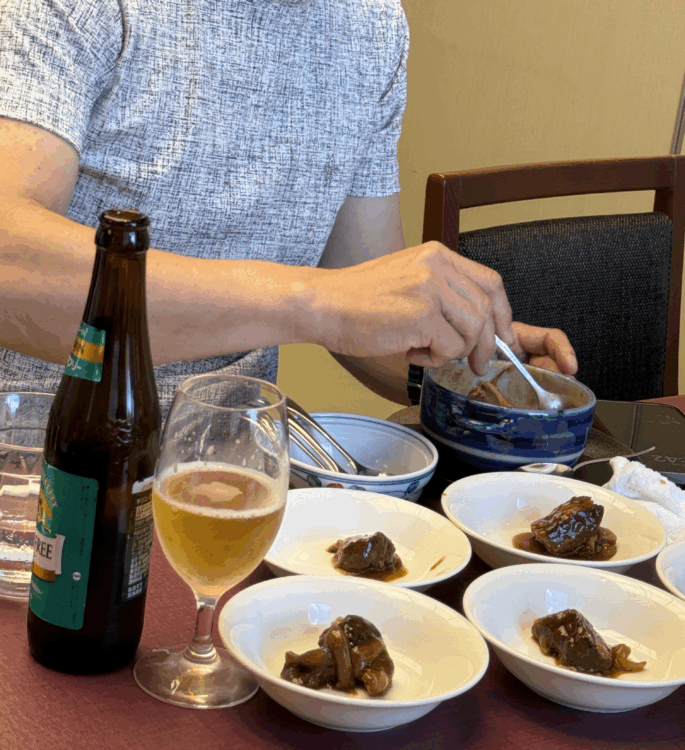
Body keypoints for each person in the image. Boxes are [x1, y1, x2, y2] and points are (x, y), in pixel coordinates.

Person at [0, 0, 576, 417]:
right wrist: (315, 303)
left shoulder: (372, 25)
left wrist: (471, 362)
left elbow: (362, 294)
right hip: (38, 456)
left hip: (234, 465)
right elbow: (9, 258)